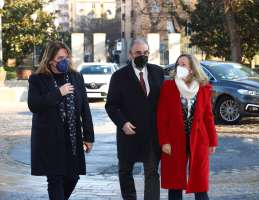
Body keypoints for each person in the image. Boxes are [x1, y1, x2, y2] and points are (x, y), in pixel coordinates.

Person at [27, 41, 94, 200]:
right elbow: (34, 105)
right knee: (55, 179)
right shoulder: (38, 79)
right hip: (49, 140)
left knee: (73, 177)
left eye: (67, 57)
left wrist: (89, 137)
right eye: (60, 58)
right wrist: (59, 93)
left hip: (71, 138)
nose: (65, 61)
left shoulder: (76, 77)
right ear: (50, 60)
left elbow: (85, 108)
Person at [105, 38, 164, 200]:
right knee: (125, 172)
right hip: (128, 133)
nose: (142, 56)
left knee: (152, 173)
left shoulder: (158, 72)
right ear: (130, 54)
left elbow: (164, 102)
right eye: (138, 53)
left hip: (152, 134)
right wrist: (122, 123)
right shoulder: (119, 76)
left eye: (145, 53)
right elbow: (111, 105)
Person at [157, 54, 218, 200]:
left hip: (199, 139)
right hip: (174, 139)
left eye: (183, 64)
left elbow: (208, 117)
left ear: (192, 68)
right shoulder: (169, 87)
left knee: (200, 181)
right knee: (175, 181)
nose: (179, 67)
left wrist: (212, 141)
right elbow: (161, 117)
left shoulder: (204, 88)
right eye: (178, 64)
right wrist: (164, 141)